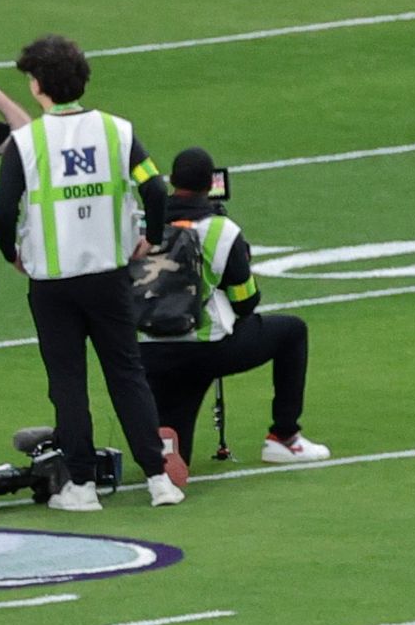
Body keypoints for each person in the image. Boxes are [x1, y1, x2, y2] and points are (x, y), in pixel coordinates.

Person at [0, 34, 178, 508]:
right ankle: (158, 478)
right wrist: (152, 236)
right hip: (108, 273)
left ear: (37, 86)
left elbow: (4, 214)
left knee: (68, 382)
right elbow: (156, 189)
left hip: (53, 282)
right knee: (127, 373)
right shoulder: (117, 131)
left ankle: (81, 485)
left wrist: (11, 253)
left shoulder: (26, 141)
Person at [131, 148, 327, 474]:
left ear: (172, 181)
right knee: (293, 332)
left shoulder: (138, 228)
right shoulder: (221, 231)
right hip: (209, 348)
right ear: (211, 185)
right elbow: (245, 302)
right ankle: (284, 438)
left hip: (149, 353)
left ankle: (160, 451)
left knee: (176, 444)